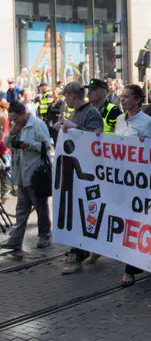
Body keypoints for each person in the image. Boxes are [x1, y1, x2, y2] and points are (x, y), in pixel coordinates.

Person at [56, 81, 103, 274]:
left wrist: (73, 127)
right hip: (75, 172)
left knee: (86, 212)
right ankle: (83, 248)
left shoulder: (91, 113)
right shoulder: (75, 112)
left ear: (72, 96)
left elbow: (97, 138)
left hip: (87, 172)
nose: (64, 99)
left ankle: (80, 253)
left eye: (65, 96)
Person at [115, 84, 151, 287]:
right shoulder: (119, 120)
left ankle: (130, 269)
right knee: (126, 222)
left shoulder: (147, 122)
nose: (122, 100)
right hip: (122, 179)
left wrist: (145, 143)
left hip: (141, 182)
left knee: (138, 222)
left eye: (126, 97)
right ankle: (137, 261)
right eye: (121, 96)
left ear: (137, 100)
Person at [0, 101, 52, 251]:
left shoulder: (37, 124)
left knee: (40, 206)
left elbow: (46, 146)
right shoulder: (17, 127)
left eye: (16, 119)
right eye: (11, 119)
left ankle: (44, 235)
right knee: (21, 207)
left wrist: (28, 144)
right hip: (21, 173)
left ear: (23, 114)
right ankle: (16, 239)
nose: (13, 122)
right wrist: (12, 133)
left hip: (35, 173)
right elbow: (6, 143)